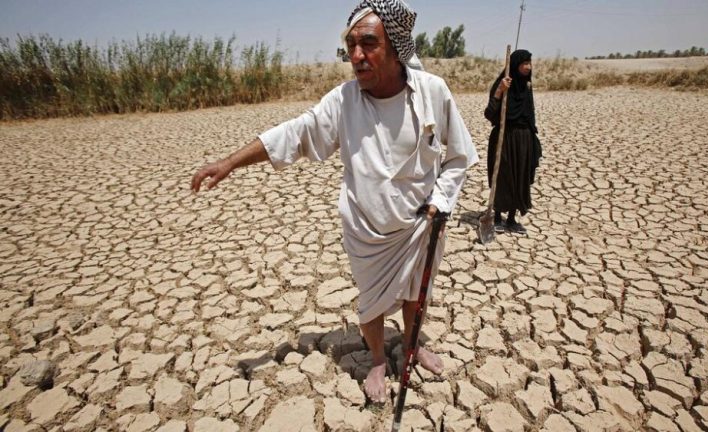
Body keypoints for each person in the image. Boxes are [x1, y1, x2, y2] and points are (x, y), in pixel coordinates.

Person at [190, 0, 477, 403]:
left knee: (416, 294)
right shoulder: (344, 101)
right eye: (351, 45)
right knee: (372, 302)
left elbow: (460, 156)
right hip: (366, 228)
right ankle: (378, 359)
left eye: (368, 44)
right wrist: (229, 163)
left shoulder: (433, 92)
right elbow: (296, 133)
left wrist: (442, 200)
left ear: (395, 47)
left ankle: (413, 347)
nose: (356, 56)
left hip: (419, 224)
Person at [483, 49, 541, 234]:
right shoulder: (502, 85)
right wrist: (500, 91)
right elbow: (490, 113)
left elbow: (530, 114)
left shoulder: (527, 86)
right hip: (505, 137)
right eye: (524, 63)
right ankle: (498, 216)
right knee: (504, 176)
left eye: (529, 63)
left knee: (520, 178)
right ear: (515, 65)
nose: (528, 67)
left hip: (524, 139)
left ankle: (511, 219)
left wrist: (532, 140)